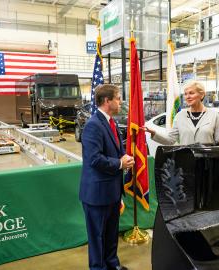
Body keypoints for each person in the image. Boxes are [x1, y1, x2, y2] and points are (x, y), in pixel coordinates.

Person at [79, 84, 134, 270]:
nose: (120, 101)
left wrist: (124, 156)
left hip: (112, 190)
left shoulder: (112, 122)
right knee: (97, 236)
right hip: (97, 193)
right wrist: (120, 163)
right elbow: (94, 159)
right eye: (118, 98)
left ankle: (112, 264)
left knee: (111, 233)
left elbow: (116, 149)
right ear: (106, 100)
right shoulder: (93, 125)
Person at [144, 80, 219, 146]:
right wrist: (153, 133)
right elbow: (170, 140)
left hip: (208, 163)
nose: (187, 97)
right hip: (186, 162)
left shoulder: (213, 115)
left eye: (191, 93)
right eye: (185, 94)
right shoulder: (180, 116)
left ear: (202, 95)